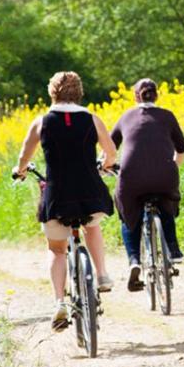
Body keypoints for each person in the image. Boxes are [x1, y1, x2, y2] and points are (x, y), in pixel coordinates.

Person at [13, 71, 116, 330]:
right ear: (79, 92)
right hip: (90, 192)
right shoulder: (92, 119)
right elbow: (111, 152)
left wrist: (21, 170)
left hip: (58, 197)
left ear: (52, 93)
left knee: (57, 249)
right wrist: (105, 165)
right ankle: (102, 274)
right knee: (92, 226)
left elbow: (25, 154)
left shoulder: (42, 121)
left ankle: (59, 302)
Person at [111, 78, 184, 289]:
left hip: (132, 178)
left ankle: (134, 260)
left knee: (128, 214)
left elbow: (110, 147)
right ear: (157, 95)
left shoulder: (126, 117)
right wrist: (174, 167)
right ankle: (173, 249)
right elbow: (182, 147)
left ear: (135, 96)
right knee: (166, 202)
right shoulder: (167, 116)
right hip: (165, 176)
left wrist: (106, 165)